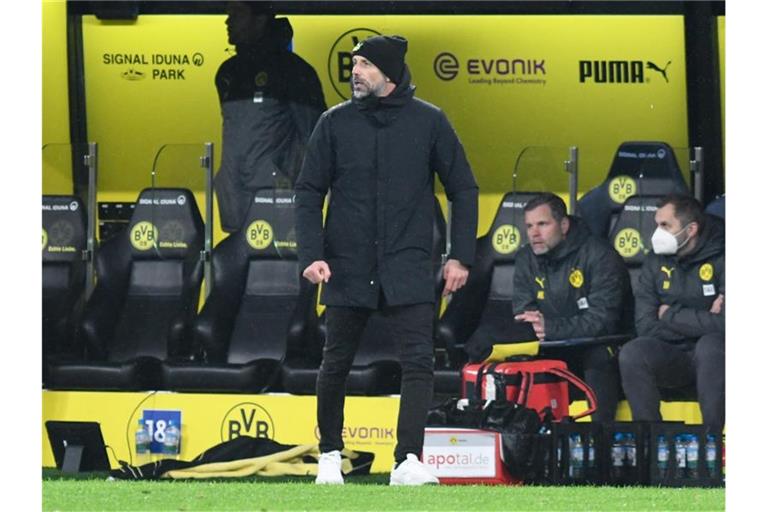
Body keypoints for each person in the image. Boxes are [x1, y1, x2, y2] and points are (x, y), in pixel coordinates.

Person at [295, 35, 478, 486]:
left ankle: (408, 462)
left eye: (364, 65)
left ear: (390, 73)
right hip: (346, 262)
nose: (354, 72)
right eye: (353, 64)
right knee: (334, 362)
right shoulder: (333, 123)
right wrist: (311, 254)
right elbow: (308, 190)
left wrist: (461, 257)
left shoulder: (430, 122)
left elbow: (464, 189)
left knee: (419, 363)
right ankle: (330, 457)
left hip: (408, 262)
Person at [511, 193, 633, 422]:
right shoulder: (526, 258)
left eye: (542, 224)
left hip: (598, 344)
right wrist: (536, 329)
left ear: (564, 224)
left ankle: (599, 441)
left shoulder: (600, 255)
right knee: (517, 355)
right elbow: (523, 311)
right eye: (529, 226)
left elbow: (602, 321)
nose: (534, 233)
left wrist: (551, 328)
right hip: (550, 346)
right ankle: (523, 438)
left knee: (598, 356)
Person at [214, 2, 326, 232]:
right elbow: (235, 137)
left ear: (260, 19)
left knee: (280, 265)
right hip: (234, 194)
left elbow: (315, 141)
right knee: (236, 264)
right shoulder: (227, 73)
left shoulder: (293, 71)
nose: (228, 21)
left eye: (237, 14)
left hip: (277, 198)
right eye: (228, 14)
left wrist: (296, 190)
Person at [619, 194, 725, 432]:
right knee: (633, 352)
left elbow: (727, 326)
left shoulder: (724, 257)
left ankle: (712, 441)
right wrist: (702, 321)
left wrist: (668, 315)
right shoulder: (655, 261)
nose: (658, 232)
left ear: (692, 229)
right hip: (674, 357)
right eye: (657, 224)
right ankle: (650, 442)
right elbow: (645, 325)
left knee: (710, 345)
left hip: (716, 360)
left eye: (665, 225)